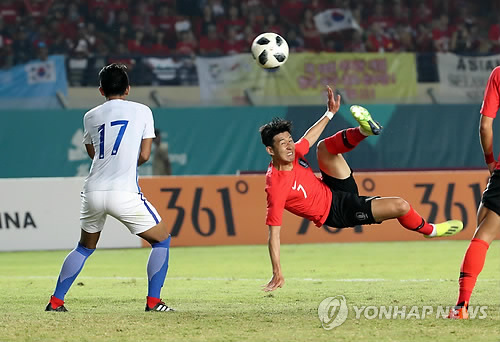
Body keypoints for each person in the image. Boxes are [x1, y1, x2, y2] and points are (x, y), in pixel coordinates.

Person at [259, 85, 464, 292]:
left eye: (290, 141)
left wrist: (329, 113)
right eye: (282, 143)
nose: (289, 146)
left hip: (333, 186)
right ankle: (431, 230)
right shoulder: (276, 186)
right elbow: (273, 234)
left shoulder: (293, 153)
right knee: (401, 205)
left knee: (322, 147)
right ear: (270, 150)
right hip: (336, 211)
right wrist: (277, 271)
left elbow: (308, 138)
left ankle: (363, 131)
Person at [45, 64, 173, 312]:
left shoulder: (90, 116)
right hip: (123, 191)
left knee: (84, 247)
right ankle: (154, 302)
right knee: (162, 241)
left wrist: (111, 159)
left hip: (92, 190)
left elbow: (92, 152)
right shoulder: (142, 110)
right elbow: (145, 156)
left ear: (101, 90)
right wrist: (125, 160)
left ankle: (56, 301)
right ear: (128, 88)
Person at [448, 66, 500, 319]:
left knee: (484, 231)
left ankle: (462, 307)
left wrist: (491, 161)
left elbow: (485, 127)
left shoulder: (499, 75)